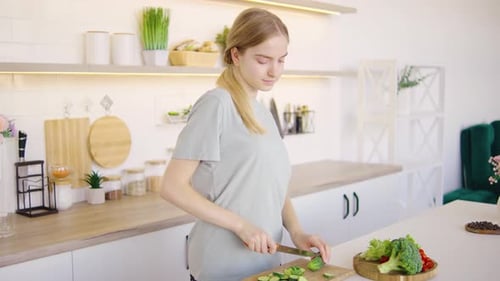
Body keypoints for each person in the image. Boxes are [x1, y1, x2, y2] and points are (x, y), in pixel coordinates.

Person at [160, 7, 331, 281]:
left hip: (265, 265)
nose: (274, 71)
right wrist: (241, 225)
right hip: (221, 266)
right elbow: (171, 187)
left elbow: (272, 184)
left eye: (281, 60)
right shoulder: (216, 105)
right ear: (236, 55)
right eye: (263, 60)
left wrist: (296, 231)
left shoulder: (261, 110)